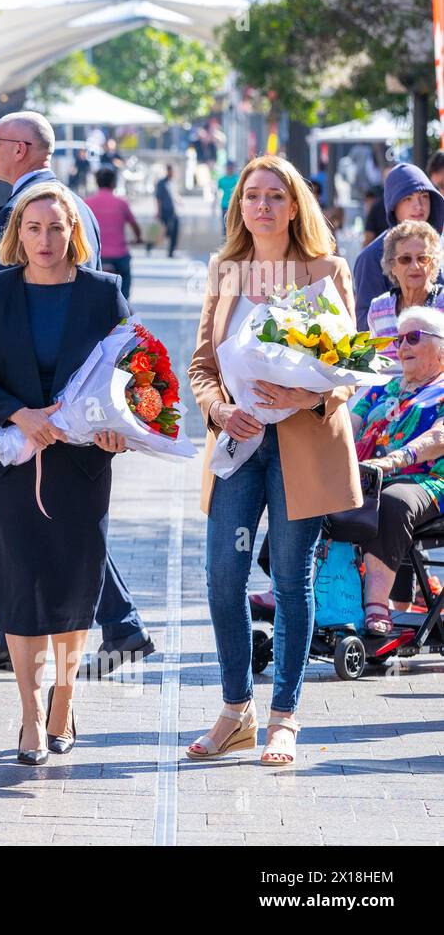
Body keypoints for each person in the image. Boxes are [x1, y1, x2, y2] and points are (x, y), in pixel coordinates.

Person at [187, 154, 361, 766]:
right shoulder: (226, 271)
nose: (262, 206)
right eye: (252, 196)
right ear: (239, 206)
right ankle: (236, 711)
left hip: (302, 448)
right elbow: (202, 365)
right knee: (223, 578)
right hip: (239, 447)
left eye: (275, 196)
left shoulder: (327, 268)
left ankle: (285, 717)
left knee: (291, 579)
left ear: (295, 206)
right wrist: (217, 410)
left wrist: (307, 394)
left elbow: (352, 365)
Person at [0, 110, 155, 677]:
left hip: (75, 428)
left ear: (22, 148)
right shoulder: (40, 220)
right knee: (32, 541)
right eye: (33, 231)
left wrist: (115, 419)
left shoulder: (44, 209)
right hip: (19, 425)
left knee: (72, 541)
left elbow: (120, 351)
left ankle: (86, 650)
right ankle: (34, 636)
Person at [0, 183, 130, 765]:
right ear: (17, 235)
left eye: (55, 228)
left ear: (73, 233)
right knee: (18, 586)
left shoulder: (104, 294)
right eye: (33, 228)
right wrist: (21, 413)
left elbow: (131, 379)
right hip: (11, 458)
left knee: (72, 586)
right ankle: (31, 716)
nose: (44, 239)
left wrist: (122, 430)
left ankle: (64, 695)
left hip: (82, 464)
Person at [350, 307, 444, 635]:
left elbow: (438, 437)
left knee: (392, 500)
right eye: (399, 339)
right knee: (313, 489)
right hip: (371, 476)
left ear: (441, 349)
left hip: (429, 480)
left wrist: (394, 460)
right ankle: (292, 590)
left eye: (414, 338)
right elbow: (348, 426)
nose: (403, 346)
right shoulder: (383, 388)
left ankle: (377, 604)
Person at [352, 163, 444, 330]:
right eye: (407, 198)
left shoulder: (438, 244)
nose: (418, 205)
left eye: (424, 196)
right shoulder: (371, 257)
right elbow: (366, 328)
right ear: (393, 205)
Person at [365, 220, 444, 369]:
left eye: (423, 258)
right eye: (405, 259)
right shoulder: (378, 309)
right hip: (387, 392)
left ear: (433, 264)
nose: (415, 266)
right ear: (392, 266)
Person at [85, 165, 142, 298]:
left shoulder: (86, 203)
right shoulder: (121, 203)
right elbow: (134, 226)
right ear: (113, 182)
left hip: (95, 257)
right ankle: (125, 309)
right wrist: (138, 238)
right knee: (125, 285)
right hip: (119, 257)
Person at [155, 163, 181, 258]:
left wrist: (179, 202)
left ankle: (171, 252)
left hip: (174, 211)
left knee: (175, 231)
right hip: (165, 211)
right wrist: (158, 211)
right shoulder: (161, 183)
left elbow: (174, 195)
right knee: (167, 231)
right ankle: (150, 244)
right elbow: (158, 198)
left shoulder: (173, 182)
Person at [217, 161, 239, 233]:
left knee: (234, 224)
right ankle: (225, 242)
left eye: (231, 168)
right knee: (225, 224)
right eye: (228, 168)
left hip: (235, 205)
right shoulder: (221, 180)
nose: (230, 169)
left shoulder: (238, 179)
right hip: (225, 204)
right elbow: (217, 192)